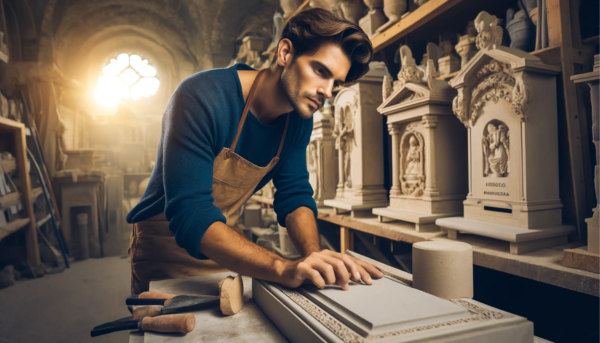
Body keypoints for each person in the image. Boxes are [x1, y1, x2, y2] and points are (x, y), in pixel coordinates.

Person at [126, 8, 384, 295]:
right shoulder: (200, 96)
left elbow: (294, 194)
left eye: (336, 83)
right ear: (285, 52)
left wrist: (314, 255)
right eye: (320, 71)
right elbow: (191, 214)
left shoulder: (299, 120)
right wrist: (282, 267)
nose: (326, 91)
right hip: (166, 249)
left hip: (225, 250)